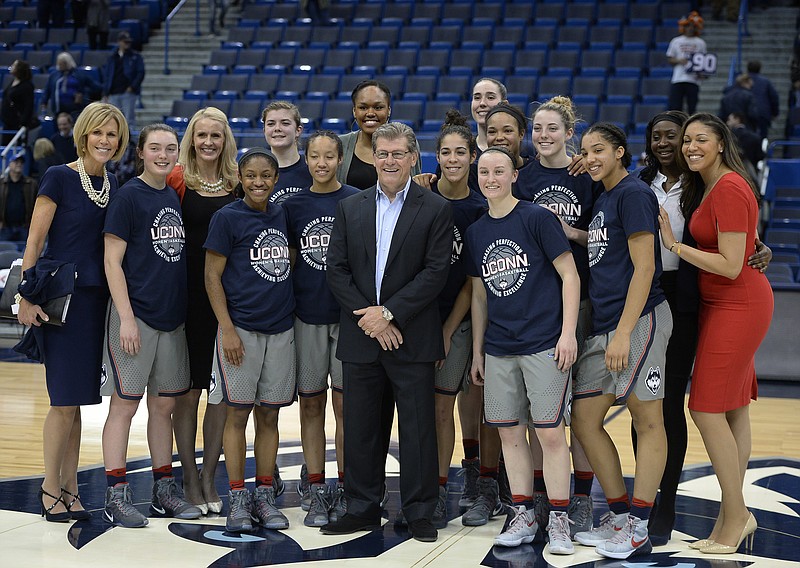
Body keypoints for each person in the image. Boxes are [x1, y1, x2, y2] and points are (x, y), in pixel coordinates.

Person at [636, 110, 772, 546]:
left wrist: (673, 245)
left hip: (738, 302)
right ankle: (731, 515)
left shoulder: (728, 185)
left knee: (705, 408)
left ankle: (736, 515)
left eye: (699, 140)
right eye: (687, 141)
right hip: (720, 301)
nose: (690, 147)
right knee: (733, 409)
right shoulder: (711, 183)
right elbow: (734, 240)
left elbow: (733, 264)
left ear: (720, 143)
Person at [322, 122, 452, 543]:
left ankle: (418, 512)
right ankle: (361, 507)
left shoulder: (434, 208)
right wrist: (372, 319)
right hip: (362, 334)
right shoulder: (351, 206)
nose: (390, 161)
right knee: (360, 427)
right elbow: (336, 269)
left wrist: (391, 314)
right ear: (372, 157)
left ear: (414, 157)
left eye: (398, 154)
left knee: (417, 429)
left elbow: (436, 273)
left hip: (411, 336)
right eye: (383, 154)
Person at [16, 103, 128, 523]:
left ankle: (71, 487)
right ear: (83, 134)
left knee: (79, 400)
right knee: (63, 400)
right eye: (98, 132)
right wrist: (26, 296)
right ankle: (49, 488)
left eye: (113, 135)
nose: (105, 140)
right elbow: (34, 240)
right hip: (61, 301)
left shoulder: (113, 182)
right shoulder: (59, 177)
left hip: (97, 300)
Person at [466, 146, 580, 554]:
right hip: (499, 348)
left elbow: (570, 275)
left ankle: (560, 519)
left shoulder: (536, 217)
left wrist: (568, 334)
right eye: (484, 172)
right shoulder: (477, 230)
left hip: (543, 344)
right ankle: (522, 512)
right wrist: (478, 350)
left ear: (514, 175)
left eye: (499, 170)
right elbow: (479, 296)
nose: (491, 178)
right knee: (510, 434)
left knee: (549, 434)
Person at [571, 123, 673, 560]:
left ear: (619, 152)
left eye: (599, 150)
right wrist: (571, 232)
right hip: (607, 323)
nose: (591, 157)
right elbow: (606, 250)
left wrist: (626, 332)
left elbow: (645, 267)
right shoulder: (605, 195)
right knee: (584, 419)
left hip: (640, 319)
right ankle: (616, 513)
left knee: (647, 419)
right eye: (586, 151)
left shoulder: (633, 193)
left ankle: (639, 524)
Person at [101, 123, 201, 528]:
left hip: (171, 320)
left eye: (170, 148)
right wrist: (125, 317)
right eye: (155, 148)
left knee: (164, 406)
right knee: (125, 405)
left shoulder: (174, 196)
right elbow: (112, 261)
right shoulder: (128, 197)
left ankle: (163, 490)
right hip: (135, 317)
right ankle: (116, 494)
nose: (163, 154)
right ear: (141, 152)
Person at [515, 96, 604, 539]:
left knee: (583, 412)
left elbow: (606, 237)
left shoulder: (587, 178)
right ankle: (539, 500)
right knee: (541, 416)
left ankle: (583, 500)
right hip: (538, 306)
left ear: (570, 133)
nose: (544, 136)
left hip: (583, 303)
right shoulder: (524, 178)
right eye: (537, 129)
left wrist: (569, 233)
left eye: (553, 129)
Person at [204, 148, 296, 533]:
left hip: (281, 329)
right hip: (240, 331)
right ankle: (238, 497)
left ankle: (263, 494)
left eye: (265, 176)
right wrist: (226, 328)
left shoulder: (283, 214)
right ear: (239, 178)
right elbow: (212, 277)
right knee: (237, 413)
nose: (258, 182)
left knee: (270, 414)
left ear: (276, 179)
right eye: (251, 175)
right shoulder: (226, 218)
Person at [281, 131, 359, 527]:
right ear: (307, 159)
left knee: (345, 407)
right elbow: (289, 261)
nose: (322, 163)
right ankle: (314, 485)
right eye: (315, 156)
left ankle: (344, 487)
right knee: (311, 405)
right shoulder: (293, 206)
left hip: (348, 320)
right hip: (307, 316)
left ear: (340, 159)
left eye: (330, 156)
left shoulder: (356, 199)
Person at [167, 107, 238, 515]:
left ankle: (211, 475)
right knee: (189, 391)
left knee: (221, 395)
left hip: (226, 302)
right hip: (186, 299)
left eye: (215, 135)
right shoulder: (177, 179)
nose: (208, 142)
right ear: (191, 139)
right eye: (201, 135)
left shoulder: (235, 184)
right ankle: (190, 476)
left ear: (225, 139)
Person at [424, 111, 487, 529]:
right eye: (445, 152)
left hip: (462, 319)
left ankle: (477, 480)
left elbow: (472, 281)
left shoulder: (482, 206)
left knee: (472, 405)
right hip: (422, 318)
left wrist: (448, 330)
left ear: (471, 156)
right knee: (437, 408)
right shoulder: (421, 199)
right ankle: (439, 487)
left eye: (460, 152)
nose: (452, 159)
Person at [336, 80, 421, 191]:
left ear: (389, 110)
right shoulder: (340, 144)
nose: (370, 113)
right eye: (363, 107)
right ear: (354, 111)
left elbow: (416, 187)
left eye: (378, 107)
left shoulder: (406, 142)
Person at [262, 101, 313, 204]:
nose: (277, 128)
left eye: (285, 123)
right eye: (271, 124)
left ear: (298, 130)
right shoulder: (256, 170)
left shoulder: (313, 167)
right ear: (264, 130)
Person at [102, 32, 145, 131]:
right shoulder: (112, 57)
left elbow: (140, 73)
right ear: (119, 42)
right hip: (113, 92)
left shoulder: (135, 56)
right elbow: (107, 75)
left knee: (129, 119)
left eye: (128, 42)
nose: (127, 44)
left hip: (128, 92)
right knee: (114, 119)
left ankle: (130, 143)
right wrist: (105, 92)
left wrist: (132, 87)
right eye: (125, 42)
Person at [667, 12, 707, 115]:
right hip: (678, 78)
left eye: (693, 26)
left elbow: (704, 61)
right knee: (675, 107)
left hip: (693, 79)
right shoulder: (676, 41)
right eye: (688, 26)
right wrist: (679, 61)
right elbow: (670, 58)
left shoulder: (700, 43)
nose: (690, 28)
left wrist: (703, 73)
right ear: (683, 27)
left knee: (692, 107)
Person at [41, 53, 95, 118]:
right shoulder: (54, 75)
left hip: (75, 108)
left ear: (68, 63)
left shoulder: (79, 74)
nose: (59, 65)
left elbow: (94, 86)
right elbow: (48, 89)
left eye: (61, 63)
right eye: (58, 63)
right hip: (58, 108)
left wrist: (83, 96)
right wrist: (44, 102)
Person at [0, 152, 37, 242]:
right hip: (5, 227)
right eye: (16, 162)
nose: (19, 164)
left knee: (25, 253)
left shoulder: (31, 184)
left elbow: (36, 204)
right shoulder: (1, 184)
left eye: (21, 163)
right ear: (10, 164)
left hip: (24, 227)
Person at [1, 60, 36, 145]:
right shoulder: (12, 82)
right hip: (7, 122)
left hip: (17, 123)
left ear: (19, 69)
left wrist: (22, 122)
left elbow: (28, 106)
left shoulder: (27, 85)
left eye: (14, 65)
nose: (11, 66)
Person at [746, 61, 780, 139]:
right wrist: (775, 113)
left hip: (747, 113)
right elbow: (774, 97)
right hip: (763, 113)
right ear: (759, 69)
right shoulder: (765, 81)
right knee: (762, 136)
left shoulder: (743, 81)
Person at [727, 112, 765, 179]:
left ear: (737, 119)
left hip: (731, 172)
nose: (727, 123)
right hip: (751, 173)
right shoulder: (755, 137)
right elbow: (760, 156)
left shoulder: (728, 137)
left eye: (729, 120)